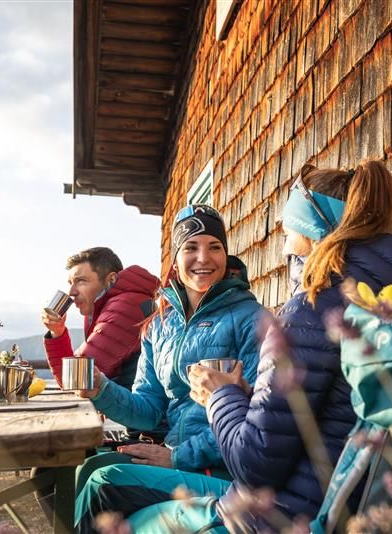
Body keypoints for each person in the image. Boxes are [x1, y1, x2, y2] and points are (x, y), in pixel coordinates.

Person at [113, 160, 392, 532]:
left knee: (113, 501)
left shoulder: (309, 310)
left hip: (275, 515)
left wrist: (219, 397)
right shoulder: (376, 301)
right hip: (328, 502)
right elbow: (314, 415)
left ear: (313, 234)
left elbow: (255, 464)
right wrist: (245, 394)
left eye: (289, 233)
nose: (284, 246)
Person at [74, 204, 266, 531]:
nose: (203, 258)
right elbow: (149, 409)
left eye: (214, 247)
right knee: (88, 468)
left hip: (221, 466)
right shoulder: (159, 325)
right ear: (175, 259)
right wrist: (100, 389)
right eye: (191, 247)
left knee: (103, 481)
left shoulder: (251, 319)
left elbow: (254, 418)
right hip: (176, 458)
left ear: (226, 254)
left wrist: (177, 457)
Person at [41, 247, 159, 392]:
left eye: (81, 281)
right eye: (70, 283)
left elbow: (76, 380)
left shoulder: (124, 308)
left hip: (133, 411)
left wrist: (57, 334)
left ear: (111, 280)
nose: (72, 292)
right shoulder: (113, 305)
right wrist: (57, 331)